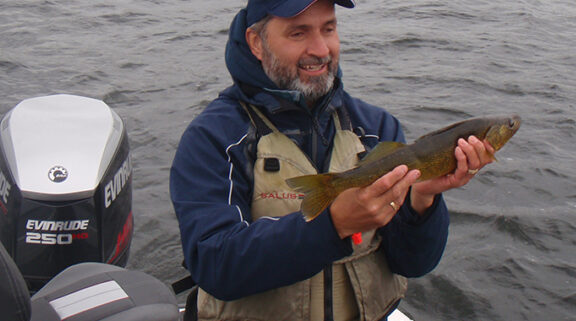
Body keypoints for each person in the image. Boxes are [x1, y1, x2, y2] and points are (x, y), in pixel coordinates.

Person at [169, 0, 495, 320]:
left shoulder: (376, 128)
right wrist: (333, 225)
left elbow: (414, 264)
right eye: (298, 33)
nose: (321, 49)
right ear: (257, 42)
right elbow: (215, 264)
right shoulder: (214, 137)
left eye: (329, 28)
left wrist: (423, 199)